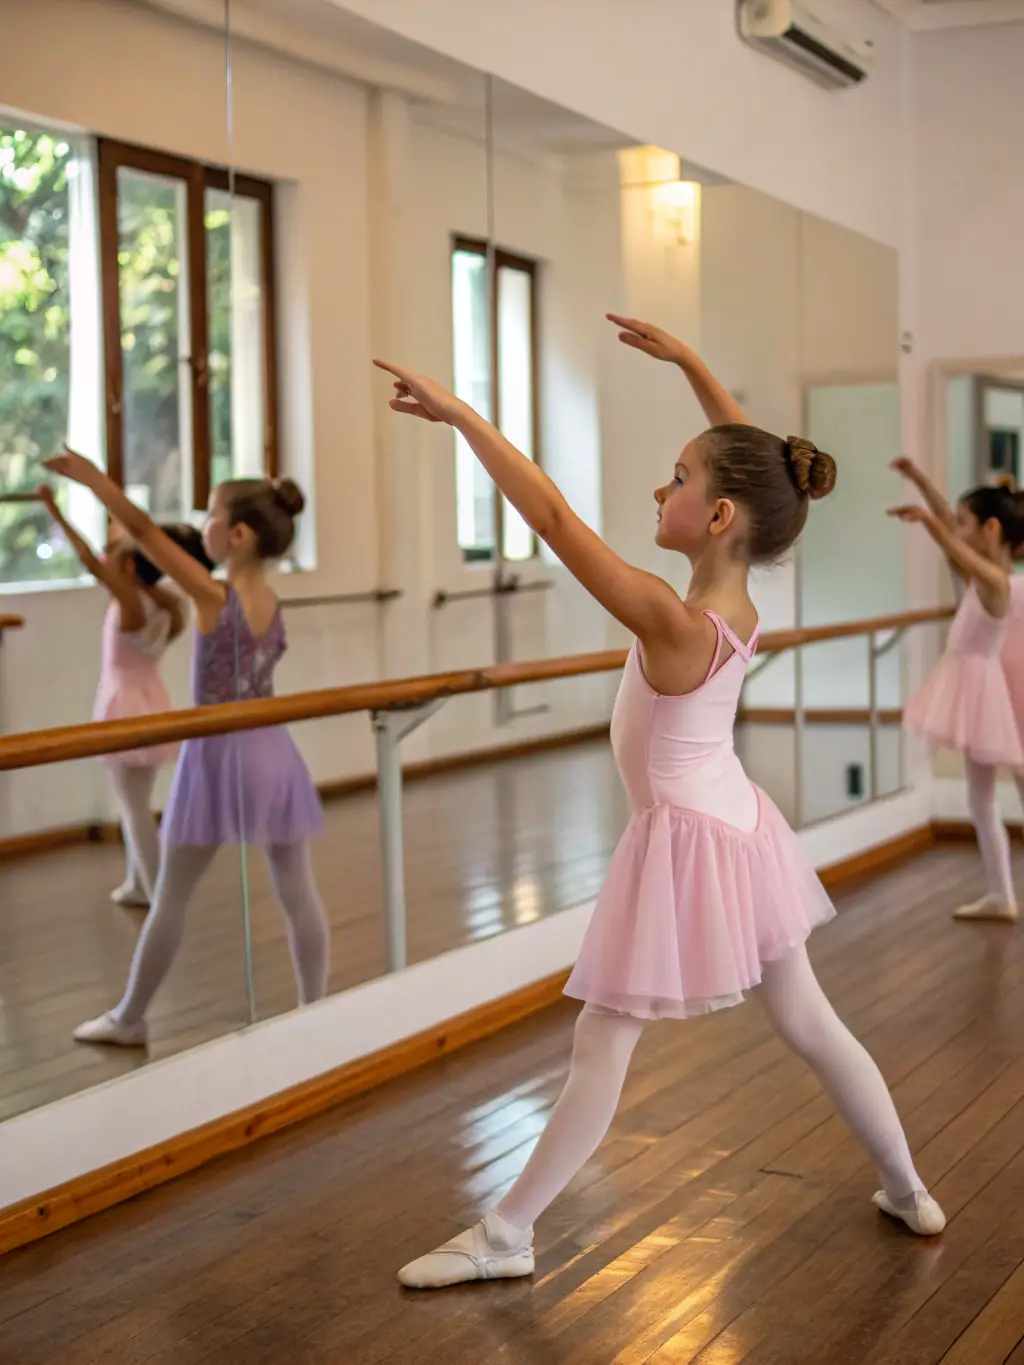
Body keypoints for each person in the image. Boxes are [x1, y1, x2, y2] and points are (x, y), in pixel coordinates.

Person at [374, 316, 945, 1291]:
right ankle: (908, 1186)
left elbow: (552, 519)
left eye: (675, 477)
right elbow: (758, 468)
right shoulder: (737, 602)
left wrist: (463, 417)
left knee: (602, 1044)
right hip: (737, 823)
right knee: (808, 1021)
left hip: (688, 837)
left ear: (718, 517)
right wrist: (690, 363)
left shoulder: (672, 618)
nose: (659, 487)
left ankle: (508, 1233)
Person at [43, 449, 331, 1047]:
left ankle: (130, 1016)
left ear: (239, 534)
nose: (204, 525)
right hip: (274, 750)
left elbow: (145, 532)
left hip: (221, 756)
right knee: (296, 889)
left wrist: (94, 478)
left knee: (171, 894)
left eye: (211, 514)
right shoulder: (270, 601)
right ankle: (315, 1009)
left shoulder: (213, 596)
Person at [38, 485, 208, 907]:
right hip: (150, 698)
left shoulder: (131, 602)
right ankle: (138, 883)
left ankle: (154, 890)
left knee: (133, 810)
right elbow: (102, 561)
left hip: (124, 705)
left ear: (129, 566)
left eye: (113, 555)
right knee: (135, 802)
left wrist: (55, 512)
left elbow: (88, 561)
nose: (105, 559)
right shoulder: (169, 605)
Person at [891, 466, 1023, 922]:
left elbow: (950, 540)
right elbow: (953, 529)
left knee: (984, 798)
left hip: (983, 691)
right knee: (980, 798)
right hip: (980, 689)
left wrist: (927, 521)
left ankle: (1001, 893)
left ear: (991, 530)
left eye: (967, 523)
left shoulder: (993, 581)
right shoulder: (985, 576)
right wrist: (922, 481)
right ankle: (1000, 893)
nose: (956, 529)